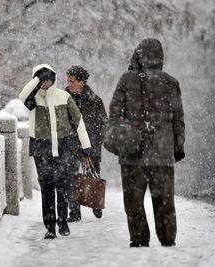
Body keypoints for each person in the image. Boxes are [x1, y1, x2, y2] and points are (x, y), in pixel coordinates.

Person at [108, 38, 185, 247]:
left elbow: (114, 113)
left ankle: (140, 238)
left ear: (138, 54)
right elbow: (178, 119)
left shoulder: (126, 80)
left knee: (133, 201)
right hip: (163, 152)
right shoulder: (170, 82)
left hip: (133, 154)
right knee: (165, 201)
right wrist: (178, 147)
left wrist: (123, 136)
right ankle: (168, 238)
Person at [19, 64, 92, 239]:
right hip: (41, 148)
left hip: (64, 146)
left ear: (54, 79)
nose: (46, 83)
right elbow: (22, 96)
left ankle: (63, 220)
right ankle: (50, 226)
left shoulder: (64, 96)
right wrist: (38, 78)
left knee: (63, 185)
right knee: (47, 187)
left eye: (49, 79)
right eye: (42, 80)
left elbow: (78, 121)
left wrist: (86, 145)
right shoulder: (33, 99)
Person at [65, 65, 108, 222]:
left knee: (92, 175)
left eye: (72, 81)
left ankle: (95, 203)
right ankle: (74, 212)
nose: (69, 84)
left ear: (81, 82)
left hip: (91, 146)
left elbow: (103, 125)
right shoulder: (64, 100)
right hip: (69, 145)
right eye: (68, 80)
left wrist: (92, 147)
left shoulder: (95, 101)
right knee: (71, 177)